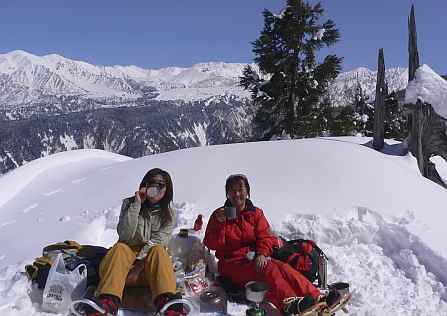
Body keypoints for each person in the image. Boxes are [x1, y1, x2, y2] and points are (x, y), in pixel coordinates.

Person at [204, 174, 341, 315]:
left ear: (248, 192)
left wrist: (262, 254)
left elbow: (265, 236)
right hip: (231, 264)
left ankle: (317, 297)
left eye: (240, 189)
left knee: (282, 267)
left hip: (252, 258)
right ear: (227, 193)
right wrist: (220, 224)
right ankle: (290, 304)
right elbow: (211, 244)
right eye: (232, 190)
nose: (237, 193)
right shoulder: (219, 215)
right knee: (269, 269)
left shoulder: (255, 213)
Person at [87, 168, 185, 316]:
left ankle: (168, 306)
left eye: (161, 184)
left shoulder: (169, 214)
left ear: (167, 189)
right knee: (120, 247)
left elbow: (159, 241)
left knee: (158, 250)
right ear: (144, 185)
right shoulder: (129, 203)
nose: (155, 187)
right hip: (122, 264)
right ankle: (107, 304)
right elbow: (125, 235)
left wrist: (139, 264)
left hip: (149, 267)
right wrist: (137, 204)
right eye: (151, 183)